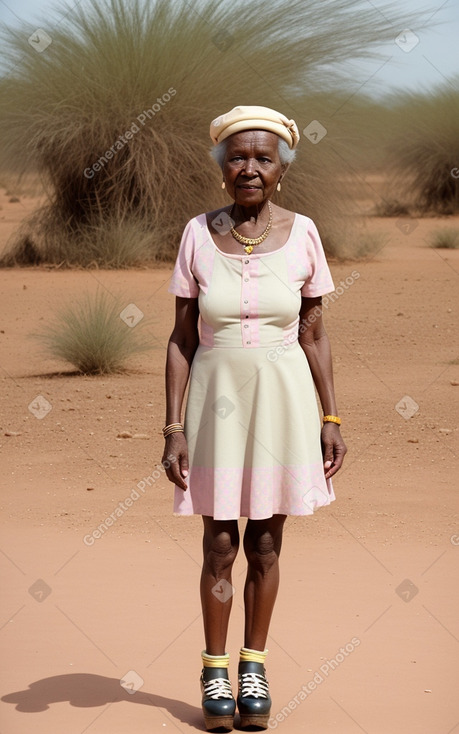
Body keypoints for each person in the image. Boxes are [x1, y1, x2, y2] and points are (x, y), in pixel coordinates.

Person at [162, 105, 347, 732]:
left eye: (263, 158)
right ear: (221, 168)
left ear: (281, 170)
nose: (249, 168)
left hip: (285, 399)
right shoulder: (196, 233)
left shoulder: (303, 234)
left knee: (265, 543)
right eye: (237, 157)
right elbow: (182, 338)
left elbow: (314, 333)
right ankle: (215, 669)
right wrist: (173, 427)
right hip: (216, 402)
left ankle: (253, 666)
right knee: (219, 544)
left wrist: (332, 415)